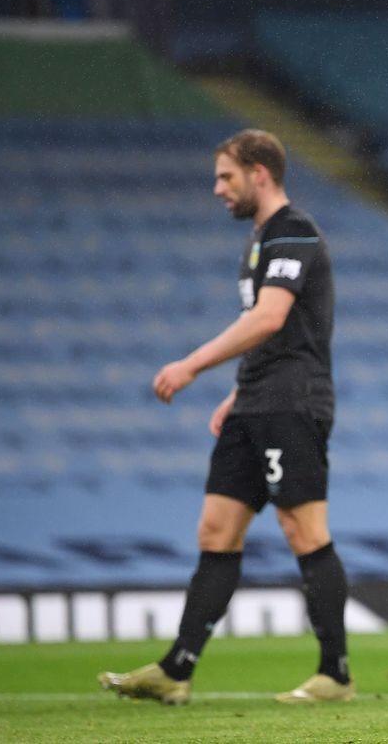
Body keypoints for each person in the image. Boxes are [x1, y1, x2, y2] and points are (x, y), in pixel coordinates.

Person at [99, 129, 352, 705]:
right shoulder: (261, 240)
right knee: (216, 530)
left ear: (259, 172)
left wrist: (191, 365)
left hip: (294, 401)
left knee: (303, 529)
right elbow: (272, 333)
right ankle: (176, 670)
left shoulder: (294, 231)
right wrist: (239, 395)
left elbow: (269, 319)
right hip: (255, 401)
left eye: (226, 177)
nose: (218, 189)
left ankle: (335, 674)